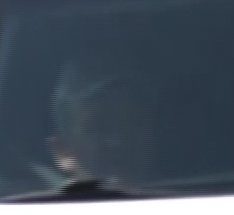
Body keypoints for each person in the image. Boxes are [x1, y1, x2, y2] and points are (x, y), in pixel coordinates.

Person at [48, 55, 158, 186]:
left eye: (132, 124)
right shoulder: (37, 206)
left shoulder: (183, 200)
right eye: (98, 128)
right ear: (62, 150)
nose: (117, 141)